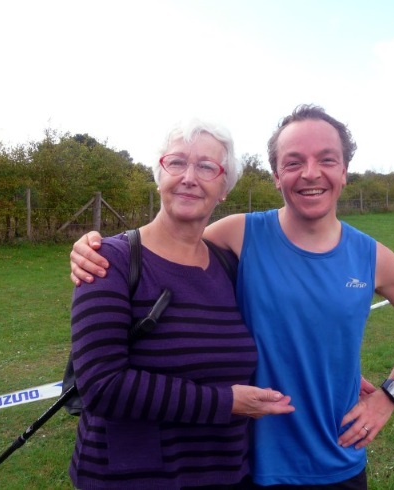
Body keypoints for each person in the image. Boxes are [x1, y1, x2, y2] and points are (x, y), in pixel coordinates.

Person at [70, 105, 394, 488]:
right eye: (294, 161)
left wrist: (389, 397)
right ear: (277, 176)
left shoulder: (373, 257)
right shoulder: (235, 236)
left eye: (327, 160)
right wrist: (93, 248)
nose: (311, 173)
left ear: (344, 171)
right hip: (246, 465)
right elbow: (166, 248)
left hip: (337, 463)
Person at [68, 118, 294, 490]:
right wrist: (225, 403)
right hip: (131, 478)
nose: (189, 176)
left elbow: (271, 340)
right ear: (159, 174)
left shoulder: (229, 266)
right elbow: (102, 386)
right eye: (177, 162)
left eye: (207, 166)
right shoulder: (110, 260)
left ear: (224, 187)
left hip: (226, 472)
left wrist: (331, 371)